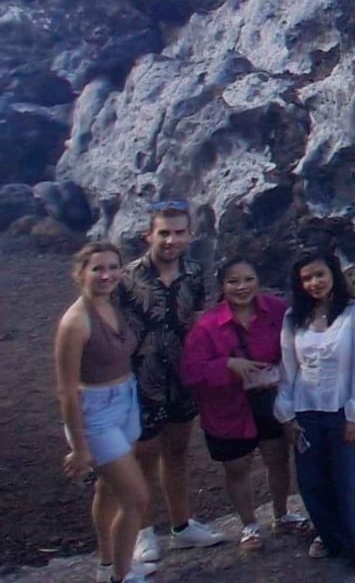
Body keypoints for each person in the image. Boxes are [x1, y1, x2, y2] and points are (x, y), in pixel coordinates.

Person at [118, 199, 223, 564]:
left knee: (177, 451)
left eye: (179, 232)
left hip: (181, 376)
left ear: (190, 235)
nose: (171, 240)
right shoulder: (127, 277)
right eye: (164, 232)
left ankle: (181, 525)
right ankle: (143, 531)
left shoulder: (194, 273)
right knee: (142, 456)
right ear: (149, 234)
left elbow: (198, 323)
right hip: (140, 377)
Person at [180, 258, 309, 552]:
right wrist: (228, 365)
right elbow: (190, 371)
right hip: (227, 407)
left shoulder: (277, 311)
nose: (242, 287)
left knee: (277, 457)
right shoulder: (207, 326)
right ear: (222, 286)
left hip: (271, 399)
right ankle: (249, 525)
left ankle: (282, 514)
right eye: (233, 281)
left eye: (248, 279)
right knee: (237, 467)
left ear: (258, 281)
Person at [274, 250, 355, 574]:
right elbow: (288, 370)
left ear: (333, 274)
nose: (314, 283)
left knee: (347, 482)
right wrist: (287, 415)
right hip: (305, 411)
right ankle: (332, 538)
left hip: (341, 411)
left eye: (319, 274)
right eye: (306, 278)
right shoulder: (294, 318)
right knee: (312, 482)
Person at [55, 242, 153, 583]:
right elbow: (67, 390)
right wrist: (80, 447)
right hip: (95, 414)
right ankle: (122, 576)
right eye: (97, 268)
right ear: (80, 273)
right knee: (136, 498)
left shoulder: (113, 304)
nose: (106, 275)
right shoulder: (75, 323)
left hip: (126, 401)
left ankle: (109, 563)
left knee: (109, 489)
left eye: (113, 267)